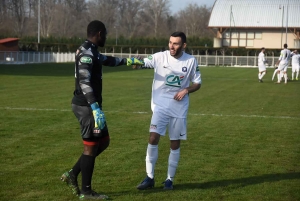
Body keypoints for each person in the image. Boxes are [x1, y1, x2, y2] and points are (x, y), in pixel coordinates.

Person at [60, 20, 144, 200]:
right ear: (99, 33)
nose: (105, 37)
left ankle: (73, 174)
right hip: (86, 106)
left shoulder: (92, 51)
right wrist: (95, 108)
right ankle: (86, 191)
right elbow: (84, 82)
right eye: (104, 34)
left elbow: (109, 60)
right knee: (90, 148)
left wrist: (128, 61)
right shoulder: (87, 54)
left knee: (103, 142)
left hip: (90, 105)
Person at [136, 32, 201, 190]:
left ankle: (169, 180)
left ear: (183, 45)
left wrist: (186, 90)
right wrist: (135, 62)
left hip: (179, 109)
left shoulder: (191, 61)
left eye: (176, 43)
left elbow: (197, 83)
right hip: (160, 106)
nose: (171, 46)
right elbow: (142, 62)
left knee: (174, 143)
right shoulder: (160, 57)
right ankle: (149, 177)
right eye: (170, 42)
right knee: (153, 138)